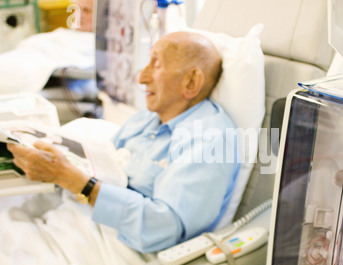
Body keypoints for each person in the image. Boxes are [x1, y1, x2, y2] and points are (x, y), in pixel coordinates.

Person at [6, 31, 240, 253]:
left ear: (191, 82)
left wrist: (73, 179)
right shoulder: (148, 119)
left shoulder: (209, 138)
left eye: (156, 65)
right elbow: (105, 164)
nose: (142, 77)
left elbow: (165, 227)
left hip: (118, 250)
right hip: (76, 219)